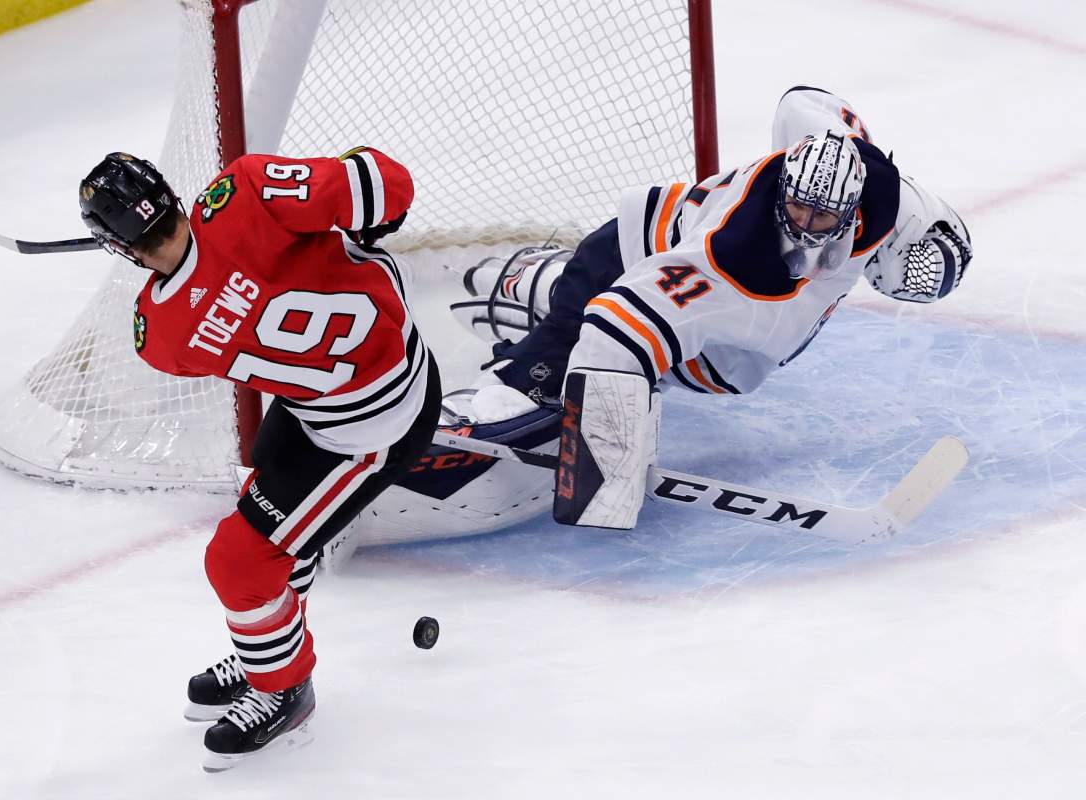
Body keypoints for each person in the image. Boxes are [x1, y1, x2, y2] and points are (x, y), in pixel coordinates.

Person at [353, 86, 971, 540]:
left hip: (699, 309)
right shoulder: (733, 262)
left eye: (823, 215)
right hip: (632, 259)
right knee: (558, 357)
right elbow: (617, 326)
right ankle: (510, 345)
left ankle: (523, 280)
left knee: (588, 310)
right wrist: (606, 473)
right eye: (798, 209)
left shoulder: (879, 190)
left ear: (855, 207)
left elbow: (802, 102)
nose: (807, 224)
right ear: (784, 190)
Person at [78, 147, 440, 771]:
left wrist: (184, 271)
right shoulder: (246, 192)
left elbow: (193, 306)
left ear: (119, 247)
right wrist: (370, 222)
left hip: (370, 433)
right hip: (366, 381)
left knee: (240, 562)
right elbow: (386, 184)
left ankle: (284, 689)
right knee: (267, 512)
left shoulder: (160, 332)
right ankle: (268, 651)